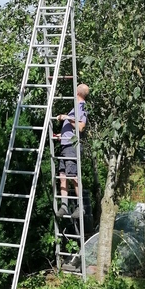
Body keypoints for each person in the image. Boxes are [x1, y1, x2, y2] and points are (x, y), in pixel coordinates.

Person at [56, 83, 89, 218]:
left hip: (72, 147)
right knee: (62, 177)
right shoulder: (75, 108)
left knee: (73, 177)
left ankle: (80, 207)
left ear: (77, 93)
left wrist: (67, 118)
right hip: (65, 145)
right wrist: (61, 135)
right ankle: (64, 206)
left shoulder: (82, 107)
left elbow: (81, 127)